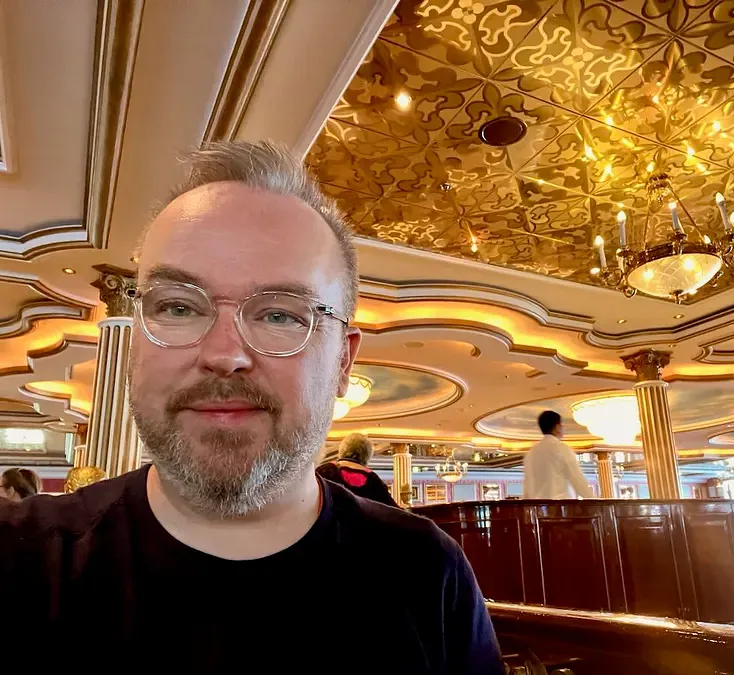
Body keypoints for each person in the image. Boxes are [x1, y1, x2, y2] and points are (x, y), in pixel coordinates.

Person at [0, 140, 503, 672]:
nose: (223, 354)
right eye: (178, 306)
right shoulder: (19, 559)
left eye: (281, 315)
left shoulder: (426, 570)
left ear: (342, 364)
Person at [523, 410, 593, 500]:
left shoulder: (531, 453)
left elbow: (527, 486)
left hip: (537, 509)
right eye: (562, 425)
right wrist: (593, 500)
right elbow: (577, 479)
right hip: (560, 508)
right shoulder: (562, 449)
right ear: (557, 427)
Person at [317, 433, 397, 506]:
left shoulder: (324, 471)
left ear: (342, 449)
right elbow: (393, 512)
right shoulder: (373, 480)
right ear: (368, 454)